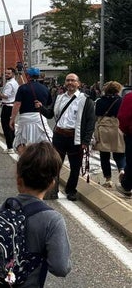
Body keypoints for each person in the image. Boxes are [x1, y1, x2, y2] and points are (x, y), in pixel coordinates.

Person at [0, 141, 72, 287]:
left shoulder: (3, 209)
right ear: (52, 183)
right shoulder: (52, 220)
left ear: (19, 180)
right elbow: (60, 268)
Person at [51, 73, 95, 201]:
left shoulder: (86, 100)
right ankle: (52, 189)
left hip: (75, 137)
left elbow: (90, 122)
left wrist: (86, 141)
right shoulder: (59, 98)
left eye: (73, 80)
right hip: (59, 135)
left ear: (78, 83)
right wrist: (40, 107)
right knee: (55, 165)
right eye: (68, 80)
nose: (70, 83)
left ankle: (71, 190)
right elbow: (50, 113)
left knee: (75, 166)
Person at [9, 67, 53, 154]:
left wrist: (12, 118)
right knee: (45, 142)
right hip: (40, 118)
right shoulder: (45, 89)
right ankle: (42, 161)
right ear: (38, 76)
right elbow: (48, 104)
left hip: (25, 118)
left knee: (21, 143)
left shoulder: (23, 88)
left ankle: (24, 161)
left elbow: (17, 104)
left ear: (28, 76)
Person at [94, 81, 126, 188]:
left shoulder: (99, 101)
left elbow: (96, 114)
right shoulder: (121, 101)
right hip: (117, 128)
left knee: (104, 155)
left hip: (103, 129)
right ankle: (121, 170)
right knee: (120, 153)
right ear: (118, 90)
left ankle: (108, 179)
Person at [0, 67, 19, 153]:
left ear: (13, 74)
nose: (6, 75)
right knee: (11, 127)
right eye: (6, 73)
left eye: (8, 73)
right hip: (11, 106)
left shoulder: (10, 84)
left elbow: (6, 96)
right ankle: (13, 146)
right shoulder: (15, 83)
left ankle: (10, 147)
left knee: (6, 127)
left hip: (8, 107)